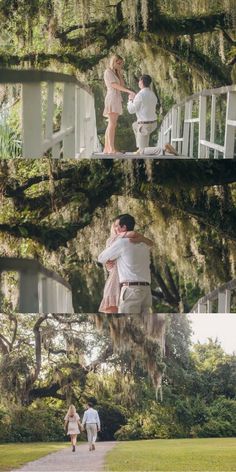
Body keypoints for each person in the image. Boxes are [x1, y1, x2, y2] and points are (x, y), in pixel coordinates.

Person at [98, 214, 152, 314]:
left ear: (124, 228)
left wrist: (117, 238)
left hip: (131, 290)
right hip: (147, 291)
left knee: (126, 324)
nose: (115, 229)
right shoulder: (144, 244)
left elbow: (101, 258)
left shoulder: (122, 243)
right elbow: (151, 244)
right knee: (144, 323)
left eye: (117, 226)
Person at [103, 54, 135, 154]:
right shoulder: (108, 72)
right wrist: (128, 91)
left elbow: (121, 84)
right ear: (114, 61)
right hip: (112, 97)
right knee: (112, 124)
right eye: (119, 62)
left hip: (116, 98)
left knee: (112, 124)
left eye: (121, 63)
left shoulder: (115, 73)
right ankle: (111, 149)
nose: (120, 64)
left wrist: (119, 73)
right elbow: (114, 85)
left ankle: (107, 149)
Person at [127, 74, 158, 154]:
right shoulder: (153, 94)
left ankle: (162, 150)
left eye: (139, 81)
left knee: (142, 151)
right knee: (134, 125)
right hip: (153, 124)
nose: (138, 82)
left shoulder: (140, 95)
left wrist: (130, 100)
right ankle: (141, 146)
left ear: (141, 82)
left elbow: (131, 110)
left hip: (144, 126)